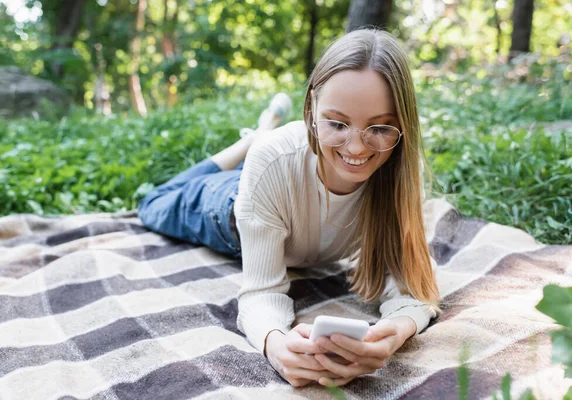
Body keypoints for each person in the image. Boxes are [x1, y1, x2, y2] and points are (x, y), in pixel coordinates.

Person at [138, 28, 440, 388]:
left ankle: (256, 136)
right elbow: (260, 291)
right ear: (311, 107)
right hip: (228, 210)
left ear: (404, 125)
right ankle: (249, 141)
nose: (357, 149)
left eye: (379, 128)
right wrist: (275, 343)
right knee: (152, 202)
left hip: (271, 185)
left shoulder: (402, 174)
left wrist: (395, 332)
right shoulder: (273, 160)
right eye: (337, 123)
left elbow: (415, 284)